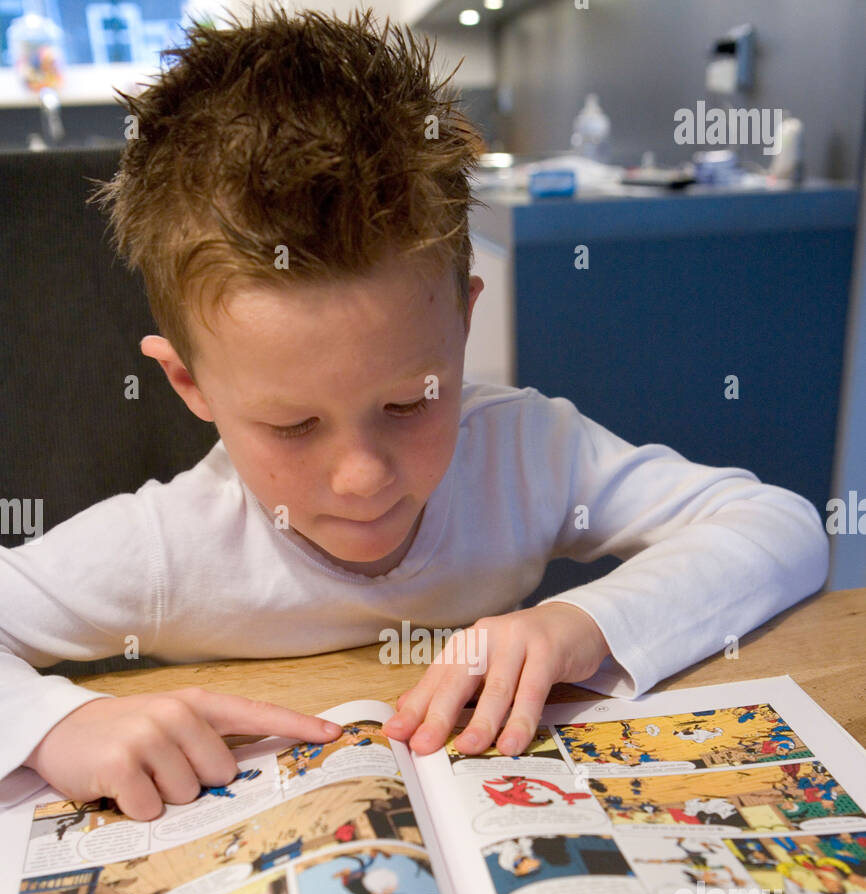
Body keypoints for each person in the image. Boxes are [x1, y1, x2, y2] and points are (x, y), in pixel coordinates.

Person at [0, 8, 828, 822]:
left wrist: (584, 621)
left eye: (408, 402)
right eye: (292, 426)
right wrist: (57, 726)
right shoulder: (162, 548)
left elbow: (779, 523)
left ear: (465, 322)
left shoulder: (528, 451)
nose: (362, 476)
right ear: (190, 385)